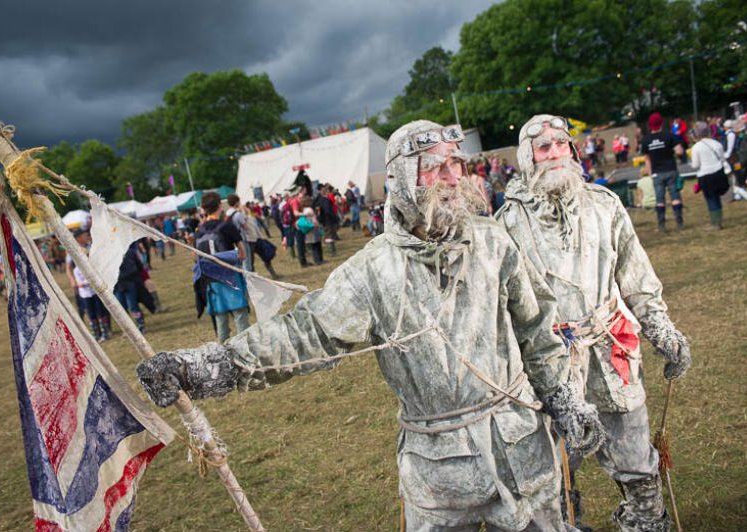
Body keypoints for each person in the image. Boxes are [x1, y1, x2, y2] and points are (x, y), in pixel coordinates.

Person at [137, 120, 605, 532]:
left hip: (523, 451)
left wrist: (563, 397)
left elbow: (538, 329)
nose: (450, 177)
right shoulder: (373, 270)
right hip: (440, 475)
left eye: (456, 165)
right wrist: (209, 366)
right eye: (433, 168)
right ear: (400, 180)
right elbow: (304, 334)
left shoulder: (493, 242)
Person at [496, 114, 692, 532]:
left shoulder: (604, 204)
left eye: (560, 144)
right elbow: (502, 308)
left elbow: (635, 273)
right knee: (556, 464)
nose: (554, 153)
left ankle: (645, 520)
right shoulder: (507, 224)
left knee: (635, 451)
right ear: (527, 157)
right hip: (550, 364)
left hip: (611, 347)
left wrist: (659, 325)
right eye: (543, 147)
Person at [193, 192, 250, 343]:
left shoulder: (199, 232)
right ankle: (245, 351)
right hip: (231, 279)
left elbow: (196, 259)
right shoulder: (227, 227)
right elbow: (243, 254)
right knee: (241, 321)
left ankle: (223, 353)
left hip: (212, 283)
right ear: (219, 206)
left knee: (222, 327)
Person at [641, 113, 685, 232]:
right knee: (675, 196)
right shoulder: (668, 136)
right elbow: (679, 151)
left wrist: (650, 173)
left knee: (660, 199)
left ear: (650, 125)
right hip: (670, 169)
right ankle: (679, 222)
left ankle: (661, 224)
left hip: (656, 172)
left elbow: (647, 159)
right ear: (661, 123)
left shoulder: (646, 140)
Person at [690, 121, 730, 230]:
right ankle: (719, 221)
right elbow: (722, 159)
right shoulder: (717, 144)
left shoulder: (697, 147)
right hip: (718, 173)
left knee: (710, 198)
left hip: (705, 175)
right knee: (717, 197)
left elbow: (695, 165)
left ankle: (715, 223)